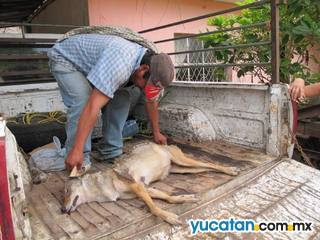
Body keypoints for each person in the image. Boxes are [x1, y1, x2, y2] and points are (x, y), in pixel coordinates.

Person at [47, 32, 175, 172]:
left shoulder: (152, 65)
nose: (144, 88)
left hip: (95, 64)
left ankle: (111, 152)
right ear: (144, 69)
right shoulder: (120, 65)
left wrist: (156, 133)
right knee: (82, 100)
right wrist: (77, 149)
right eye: (146, 84)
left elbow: (151, 101)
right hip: (67, 60)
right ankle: (77, 158)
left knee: (121, 99)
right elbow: (92, 107)